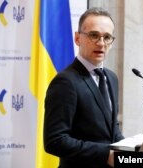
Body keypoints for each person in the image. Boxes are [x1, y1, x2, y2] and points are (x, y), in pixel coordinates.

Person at [43, 7, 124, 168]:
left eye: (107, 37)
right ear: (77, 38)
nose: (101, 43)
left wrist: (129, 148)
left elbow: (111, 128)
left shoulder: (111, 78)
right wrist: (105, 154)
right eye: (94, 35)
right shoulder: (65, 82)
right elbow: (55, 140)